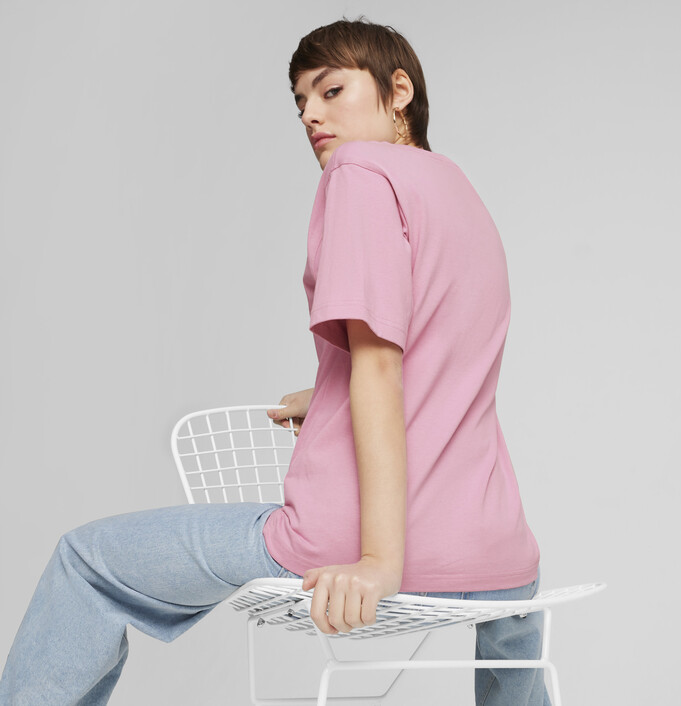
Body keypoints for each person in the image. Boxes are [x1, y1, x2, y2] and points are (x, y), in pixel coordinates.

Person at [0, 16, 549, 706]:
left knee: (84, 561)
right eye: (301, 103)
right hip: (499, 555)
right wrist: (328, 395)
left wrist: (379, 562)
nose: (311, 115)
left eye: (331, 90)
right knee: (516, 649)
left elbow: (380, 368)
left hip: (361, 545)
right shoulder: (457, 190)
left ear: (400, 90)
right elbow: (441, 361)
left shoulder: (359, 172)